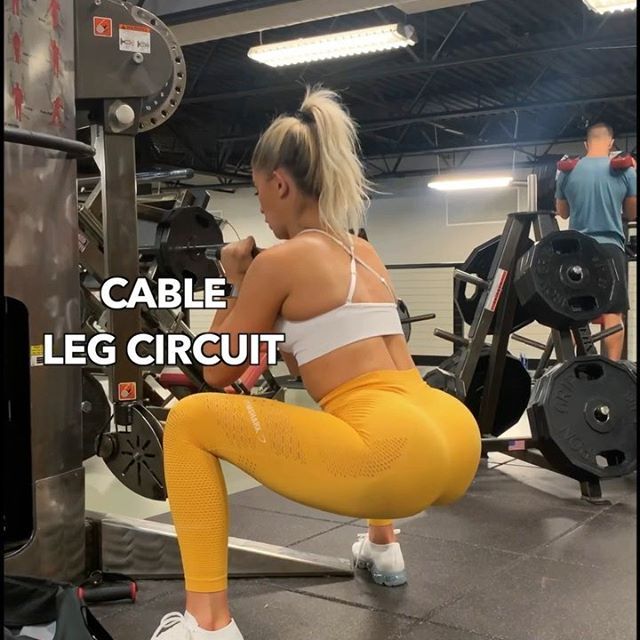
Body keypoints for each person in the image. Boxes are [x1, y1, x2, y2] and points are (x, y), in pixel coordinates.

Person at [150, 87, 481, 640]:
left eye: (260, 196)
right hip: (450, 436)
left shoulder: (279, 262)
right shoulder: (363, 251)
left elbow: (214, 371)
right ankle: (383, 549)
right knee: (357, 413)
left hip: (392, 459)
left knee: (188, 423)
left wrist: (234, 287)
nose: (261, 209)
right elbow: (325, 354)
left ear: (280, 183)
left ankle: (206, 624)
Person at [555, 122, 637, 360]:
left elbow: (562, 213)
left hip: (577, 249)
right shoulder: (626, 170)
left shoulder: (567, 171)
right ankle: (612, 367)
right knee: (613, 311)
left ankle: (571, 365)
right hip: (610, 248)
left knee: (575, 310)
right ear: (611, 143)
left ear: (586, 143)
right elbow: (631, 213)